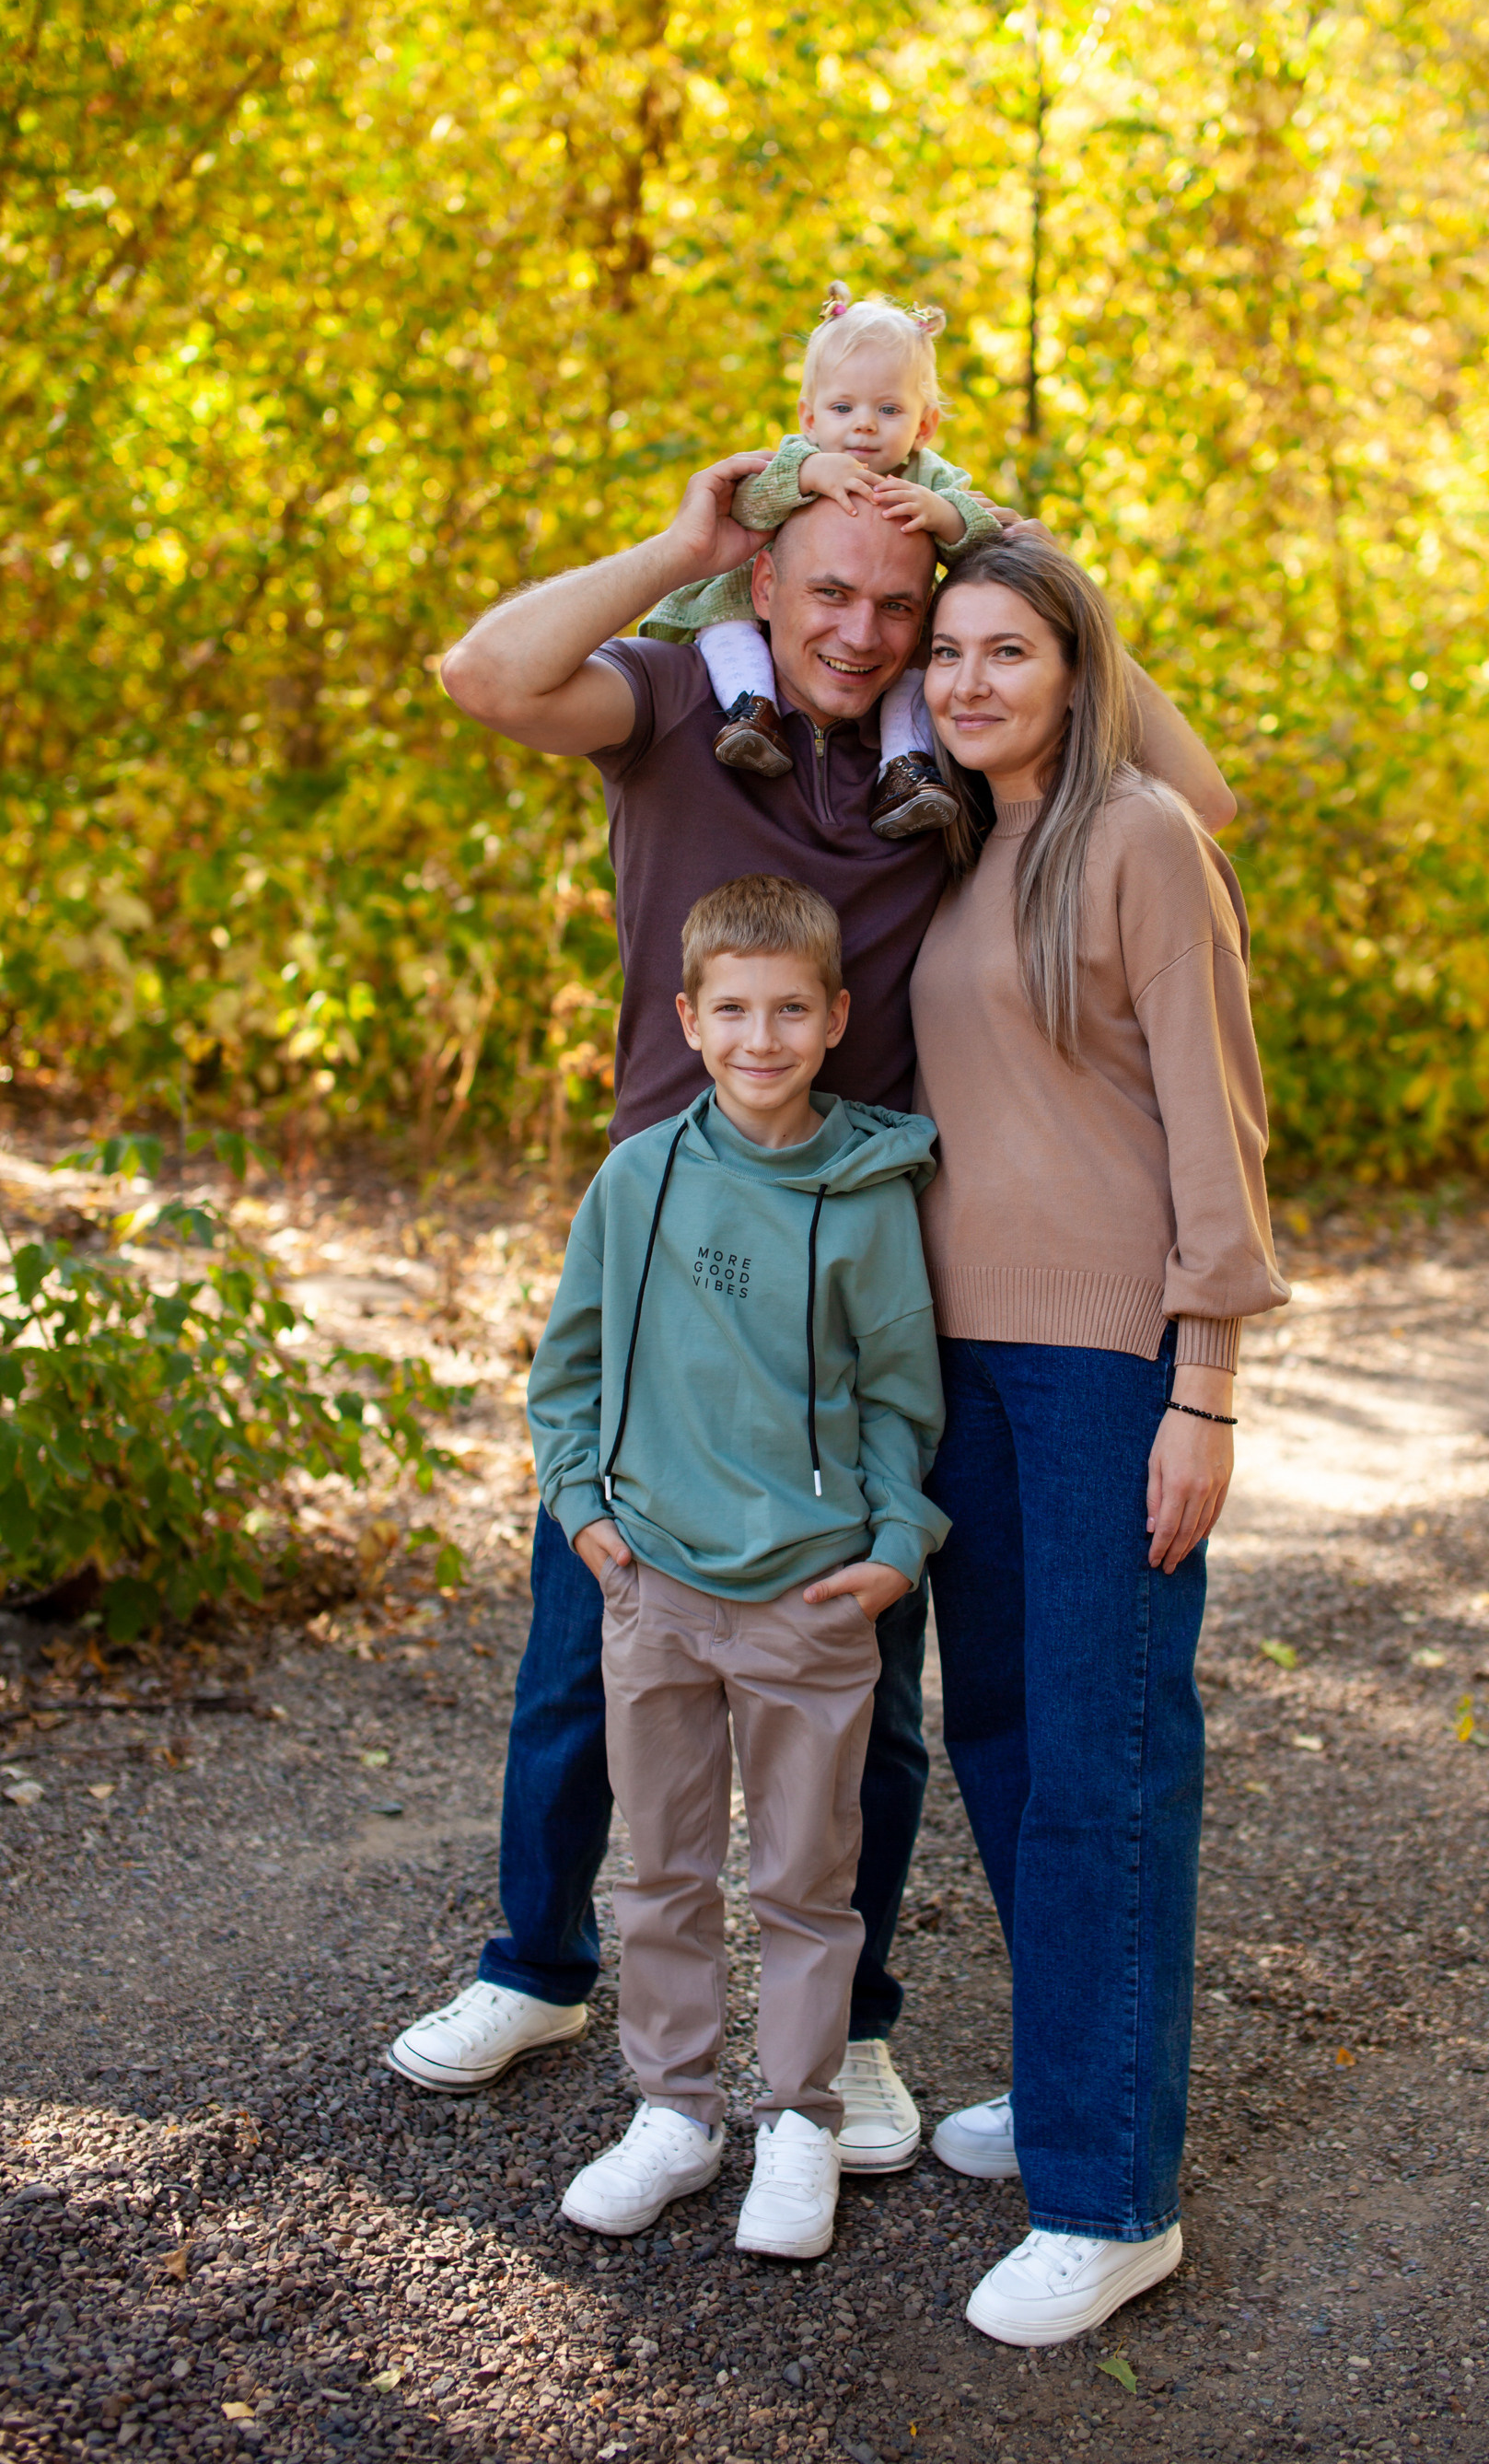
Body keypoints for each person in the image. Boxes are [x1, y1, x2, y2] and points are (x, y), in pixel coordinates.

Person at [392, 449, 1233, 2175]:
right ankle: (536, 1965)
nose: (860, 630)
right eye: (827, 591)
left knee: (864, 1675)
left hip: (863, 1263)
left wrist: (1009, 551)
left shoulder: (956, 768)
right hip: (670, 1238)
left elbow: (1189, 801)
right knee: (593, 1631)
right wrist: (680, 541)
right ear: (765, 586)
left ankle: (845, 2029)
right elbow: (483, 673)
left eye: (899, 604)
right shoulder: (683, 704)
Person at [908, 529, 1289, 2344]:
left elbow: (1218, 1123)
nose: (969, 681)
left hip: (1107, 1369)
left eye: (1010, 650)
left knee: (1104, 1759)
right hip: (957, 1366)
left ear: (1078, 671)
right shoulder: (951, 842)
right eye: (947, 651)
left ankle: (1111, 2196)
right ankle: (1074, 2072)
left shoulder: (1140, 837)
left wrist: (1204, 1384)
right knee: (996, 1732)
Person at [528, 876, 947, 2259]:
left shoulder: (870, 1198)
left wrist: (895, 1549)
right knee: (660, 1870)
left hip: (808, 1596)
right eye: (732, 1011)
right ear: (687, 1020)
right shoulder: (635, 1177)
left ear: (834, 1020)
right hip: (653, 1585)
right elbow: (568, 1366)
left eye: (788, 1011)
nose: (760, 1038)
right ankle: (675, 2112)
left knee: (804, 1885)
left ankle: (800, 2123)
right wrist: (582, 1509)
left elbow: (900, 1397)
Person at [638, 283, 1002, 841]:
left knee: (916, 669)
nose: (864, 424)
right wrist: (806, 476)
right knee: (725, 627)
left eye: (889, 409)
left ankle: (905, 768)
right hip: (748, 606)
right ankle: (751, 710)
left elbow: (985, 546)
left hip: (899, 636)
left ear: (924, 425)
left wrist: (946, 517)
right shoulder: (801, 458)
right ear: (809, 416)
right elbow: (744, 506)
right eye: (842, 408)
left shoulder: (932, 479)